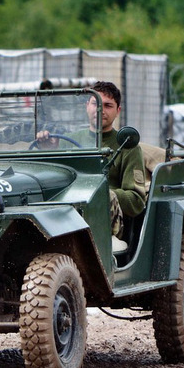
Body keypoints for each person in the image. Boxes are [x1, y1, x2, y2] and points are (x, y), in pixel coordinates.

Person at [36, 81, 147, 251]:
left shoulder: (127, 147)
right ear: (87, 106)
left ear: (118, 111)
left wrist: (100, 195)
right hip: (65, 220)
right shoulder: (67, 140)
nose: (101, 109)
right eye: (96, 103)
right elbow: (51, 185)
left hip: (106, 225)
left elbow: (136, 201)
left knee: (102, 192)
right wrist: (48, 150)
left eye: (108, 105)